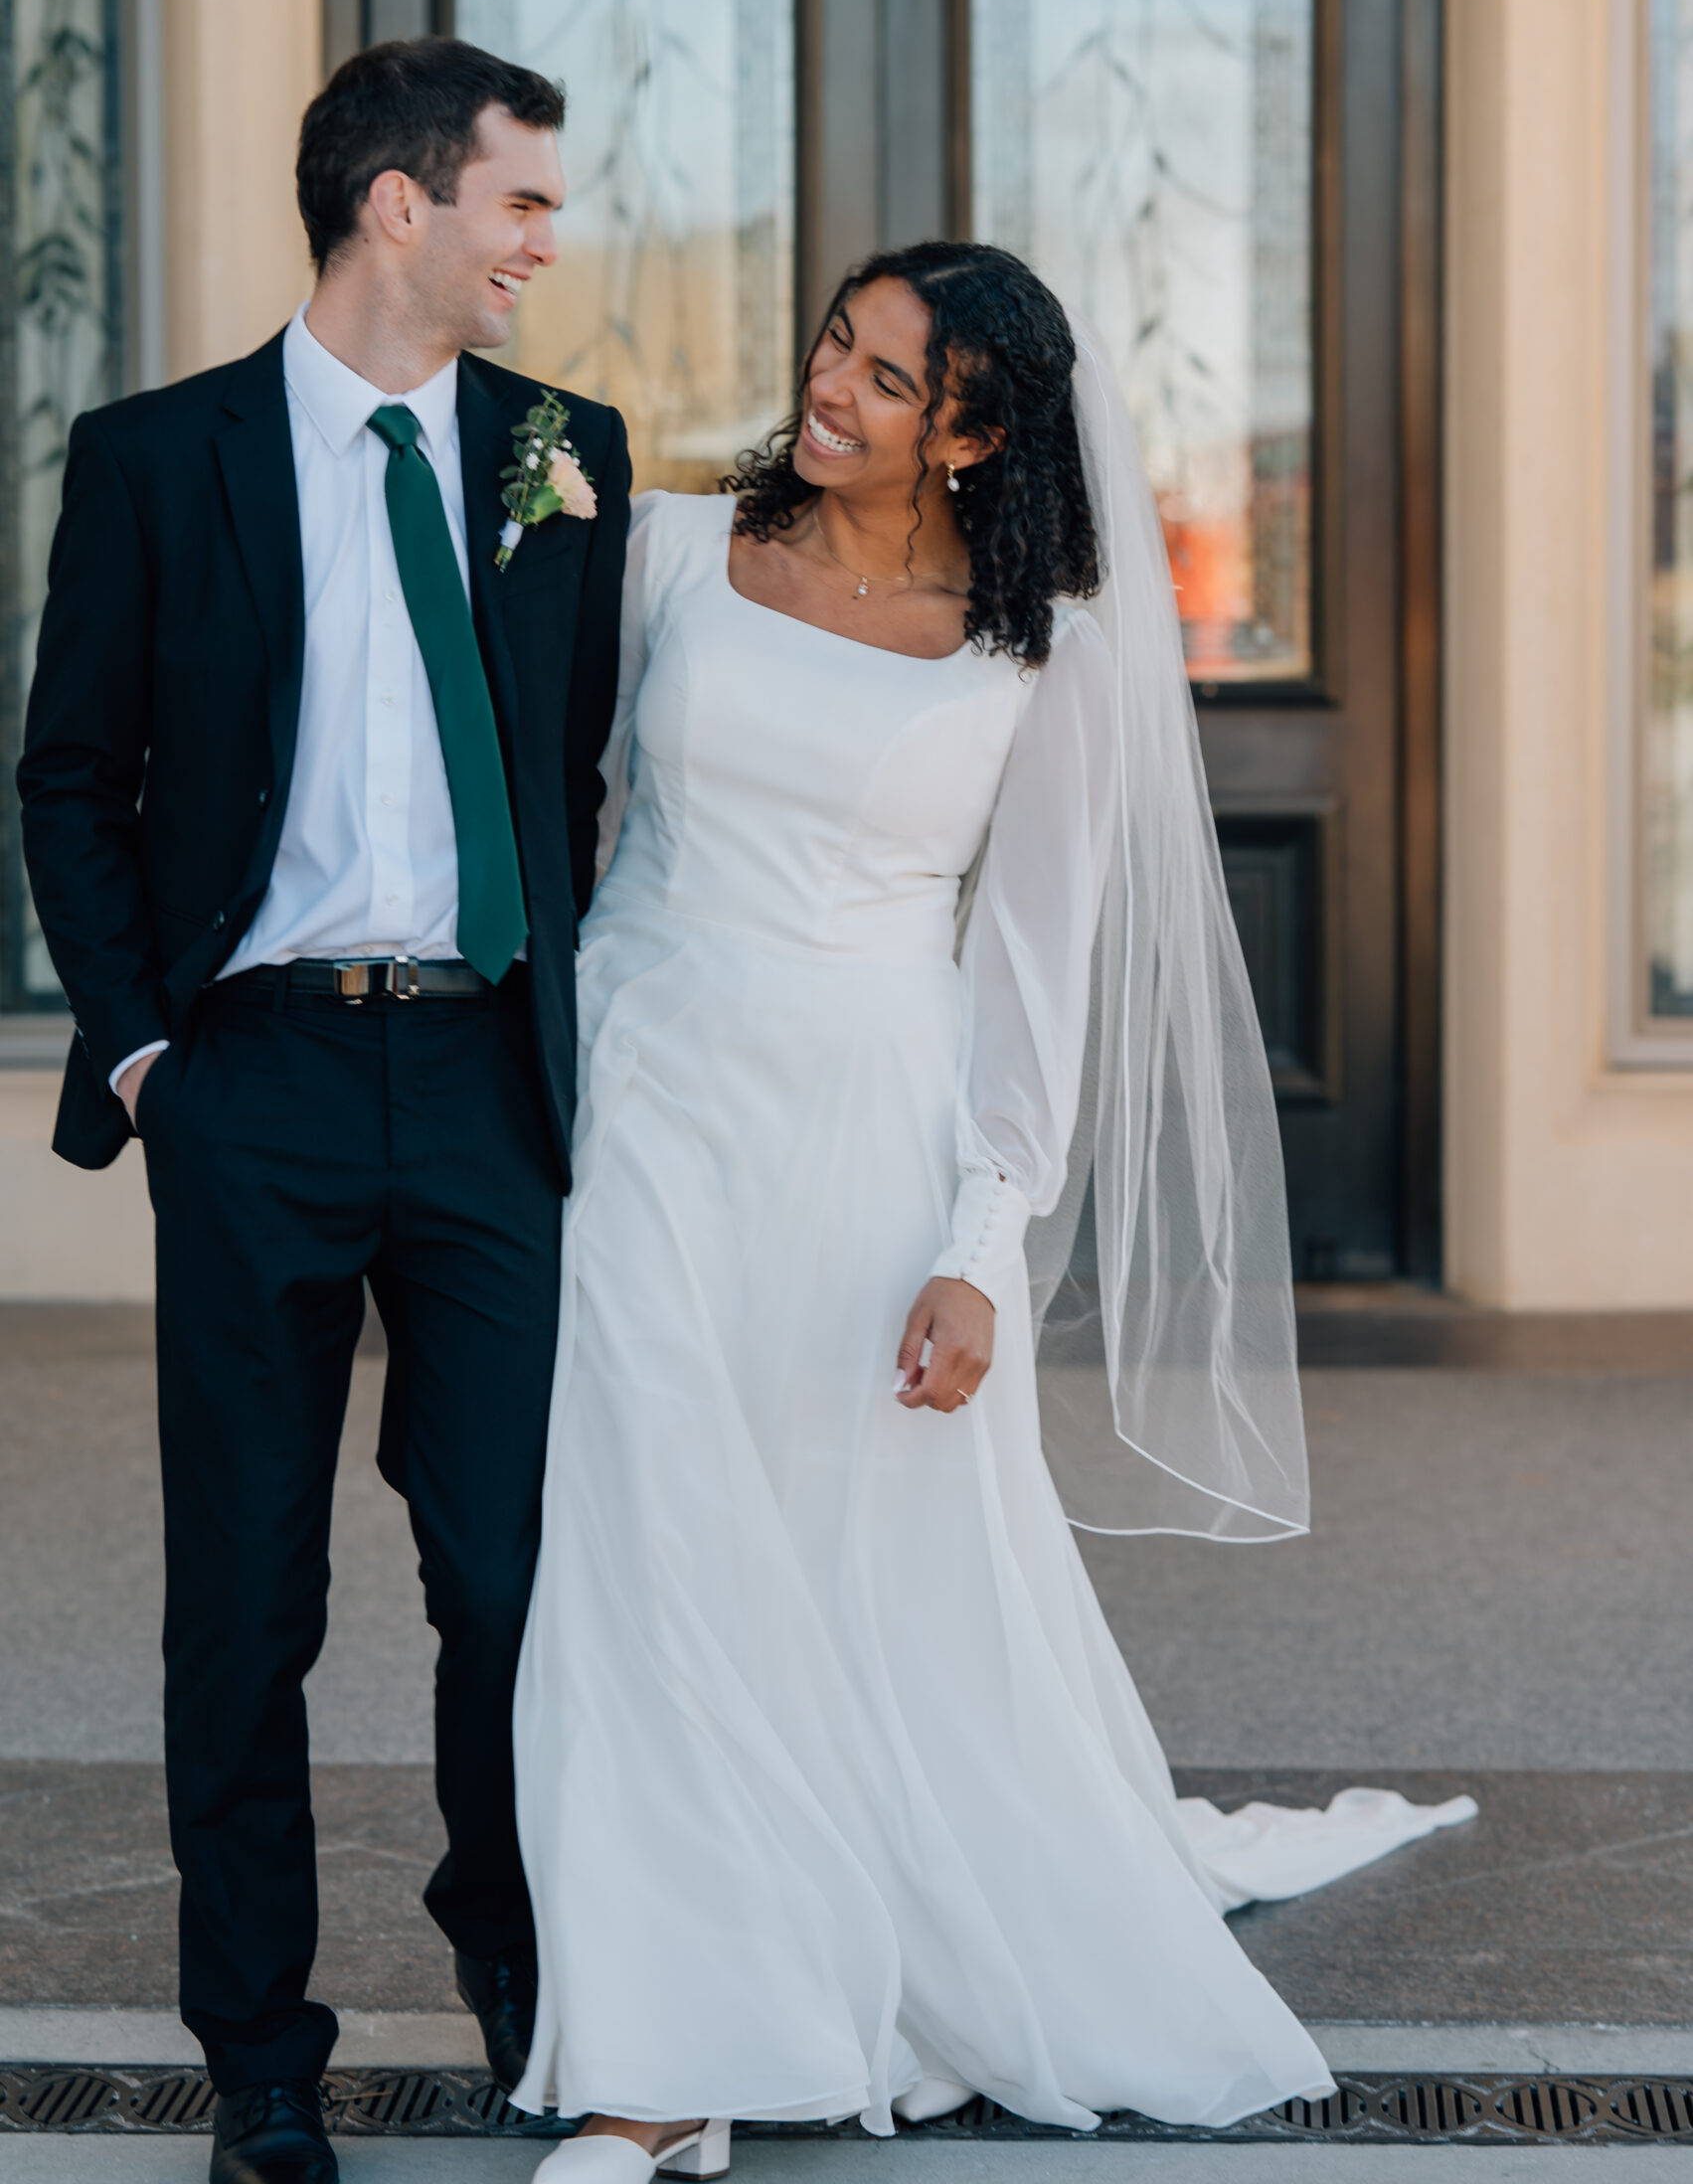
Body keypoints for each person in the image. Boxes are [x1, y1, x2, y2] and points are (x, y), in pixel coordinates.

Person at [511, 242, 1472, 2183]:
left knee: (861, 1565)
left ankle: (875, 1927)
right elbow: (570, 805)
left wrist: (982, 1242)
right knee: (639, 1555)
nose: (833, 388)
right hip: (641, 1095)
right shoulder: (671, 554)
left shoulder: (1037, 649)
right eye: (834, 346)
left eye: (888, 376)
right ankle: (664, 2059)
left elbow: (1034, 974)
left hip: (867, 1129)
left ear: (979, 429)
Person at [17, 37, 630, 2184]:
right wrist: (154, 1053)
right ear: (401, 203)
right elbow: (70, 778)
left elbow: (581, 772)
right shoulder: (158, 455)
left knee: (518, 1571)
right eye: (522, 202)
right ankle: (259, 2050)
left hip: (482, 1079)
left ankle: (531, 1973)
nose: (548, 242)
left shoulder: (571, 451)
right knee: (247, 1591)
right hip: (255, 1074)